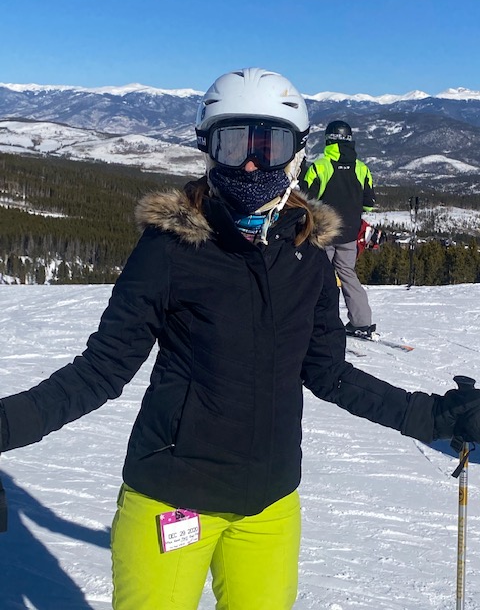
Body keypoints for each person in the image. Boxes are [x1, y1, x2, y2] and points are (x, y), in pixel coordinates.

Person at [1, 68, 480, 610]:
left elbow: (330, 374)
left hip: (269, 505)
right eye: (233, 144)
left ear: (296, 154)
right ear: (209, 150)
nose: (251, 162)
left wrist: (435, 416)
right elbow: (100, 370)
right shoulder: (170, 249)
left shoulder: (306, 256)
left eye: (269, 145)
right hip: (171, 496)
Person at [300, 120, 376, 337]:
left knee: (319, 276)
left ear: (328, 140)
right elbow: (369, 204)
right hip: (350, 232)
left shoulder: (320, 167)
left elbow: (305, 199)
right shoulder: (362, 168)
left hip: (323, 233)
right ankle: (362, 322)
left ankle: (318, 321)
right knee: (347, 274)